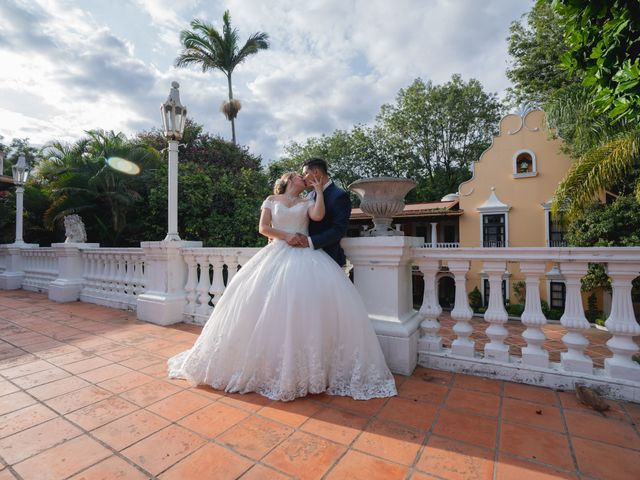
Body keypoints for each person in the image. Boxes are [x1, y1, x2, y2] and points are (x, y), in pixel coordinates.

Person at [168, 166, 397, 402]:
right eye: (299, 176)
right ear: (288, 180)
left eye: (305, 175)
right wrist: (286, 236)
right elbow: (263, 228)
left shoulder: (308, 199)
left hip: (305, 256)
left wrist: (318, 191)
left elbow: (318, 217)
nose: (303, 178)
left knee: (302, 306)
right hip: (276, 252)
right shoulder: (271, 199)